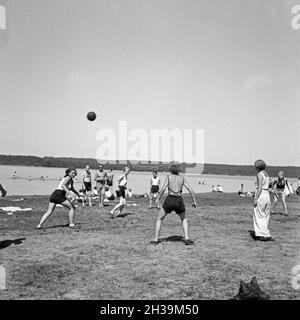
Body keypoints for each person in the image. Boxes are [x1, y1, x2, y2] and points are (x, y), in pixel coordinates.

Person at [151, 163, 197, 245]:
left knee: (159, 218)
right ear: (178, 169)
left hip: (170, 199)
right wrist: (194, 201)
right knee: (184, 219)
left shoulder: (169, 176)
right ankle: (186, 237)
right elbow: (190, 189)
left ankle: (156, 239)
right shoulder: (182, 178)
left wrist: (158, 198)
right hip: (179, 200)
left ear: (171, 169)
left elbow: (164, 188)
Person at [252, 160, 273, 241]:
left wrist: (256, 198)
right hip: (267, 194)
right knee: (265, 215)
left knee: (258, 214)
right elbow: (269, 185)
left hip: (261, 195)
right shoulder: (266, 174)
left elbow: (260, 187)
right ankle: (264, 233)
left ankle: (263, 234)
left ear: (257, 167)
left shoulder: (259, 174)